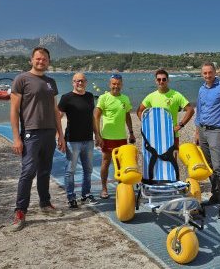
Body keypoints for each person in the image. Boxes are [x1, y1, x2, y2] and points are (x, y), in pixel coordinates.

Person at [9, 47, 66, 231]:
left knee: (45, 170)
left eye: (44, 59)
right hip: (31, 133)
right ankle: (20, 211)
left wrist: (61, 135)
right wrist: (16, 137)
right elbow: (14, 110)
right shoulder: (21, 79)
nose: (41, 61)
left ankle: (45, 203)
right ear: (31, 60)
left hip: (49, 131)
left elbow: (55, 111)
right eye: (38, 59)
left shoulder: (51, 82)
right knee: (28, 172)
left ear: (48, 61)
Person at [194, 62, 220, 219]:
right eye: (204, 73)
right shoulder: (201, 89)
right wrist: (197, 132)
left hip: (218, 131)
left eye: (209, 73)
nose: (207, 76)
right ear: (202, 74)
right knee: (209, 166)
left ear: (215, 72)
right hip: (203, 131)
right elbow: (199, 110)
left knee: (218, 166)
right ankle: (216, 195)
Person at [58, 72, 101, 209]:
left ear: (86, 82)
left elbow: (92, 118)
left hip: (88, 140)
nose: (80, 83)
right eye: (77, 81)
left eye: (82, 81)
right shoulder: (66, 98)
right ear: (73, 82)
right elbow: (58, 118)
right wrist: (59, 137)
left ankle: (86, 194)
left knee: (88, 170)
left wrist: (97, 135)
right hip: (72, 141)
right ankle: (71, 197)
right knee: (70, 171)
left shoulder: (89, 97)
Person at [94, 73, 135, 199]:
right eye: (113, 84)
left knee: (122, 163)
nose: (115, 86)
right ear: (109, 84)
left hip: (121, 137)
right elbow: (96, 116)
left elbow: (127, 116)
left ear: (121, 85)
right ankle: (104, 188)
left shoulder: (125, 99)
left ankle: (121, 187)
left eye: (118, 84)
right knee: (106, 162)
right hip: (107, 137)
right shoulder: (103, 98)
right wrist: (98, 135)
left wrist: (131, 132)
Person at [136, 69, 195, 151]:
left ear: (168, 80)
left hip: (172, 134)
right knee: (157, 161)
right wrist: (147, 124)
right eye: (159, 79)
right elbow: (139, 111)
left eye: (164, 79)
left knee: (172, 161)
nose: (161, 81)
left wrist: (180, 125)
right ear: (155, 81)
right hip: (155, 135)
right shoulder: (151, 96)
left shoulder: (176, 95)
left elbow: (190, 110)